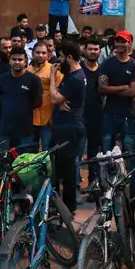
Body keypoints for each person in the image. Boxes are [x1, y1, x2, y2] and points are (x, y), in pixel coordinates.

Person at [48, 39, 86, 212]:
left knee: (67, 171)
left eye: (61, 56)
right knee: (61, 167)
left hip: (69, 129)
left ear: (69, 57)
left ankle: (67, 209)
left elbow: (55, 98)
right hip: (65, 126)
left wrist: (51, 79)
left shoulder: (76, 78)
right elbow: (59, 99)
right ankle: (61, 207)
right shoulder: (72, 75)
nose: (58, 60)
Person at [98, 30, 135, 153]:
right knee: (106, 151)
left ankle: (131, 173)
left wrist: (110, 89)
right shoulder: (107, 63)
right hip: (109, 113)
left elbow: (132, 92)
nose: (120, 44)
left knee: (130, 152)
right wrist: (123, 87)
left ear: (130, 43)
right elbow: (101, 89)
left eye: (124, 41)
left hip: (128, 115)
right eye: (118, 41)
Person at [0, 47, 42, 149]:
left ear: (25, 62)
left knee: (22, 163)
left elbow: (38, 102)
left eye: (20, 60)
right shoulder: (2, 78)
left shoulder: (34, 80)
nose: (17, 62)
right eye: (14, 59)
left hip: (24, 131)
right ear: (9, 61)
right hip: (4, 130)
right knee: (3, 162)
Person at [80, 37, 105, 192]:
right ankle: (75, 186)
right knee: (77, 152)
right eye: (90, 49)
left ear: (99, 52)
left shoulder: (103, 70)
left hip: (98, 115)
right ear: (85, 50)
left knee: (94, 153)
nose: (93, 52)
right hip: (79, 116)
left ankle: (93, 185)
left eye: (96, 49)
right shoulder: (78, 69)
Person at [28, 41, 58, 150]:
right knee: (30, 151)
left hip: (48, 118)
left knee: (47, 151)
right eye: (38, 52)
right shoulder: (27, 70)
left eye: (43, 53)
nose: (41, 55)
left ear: (48, 55)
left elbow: (58, 94)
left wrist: (54, 116)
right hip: (30, 118)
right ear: (33, 54)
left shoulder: (54, 70)